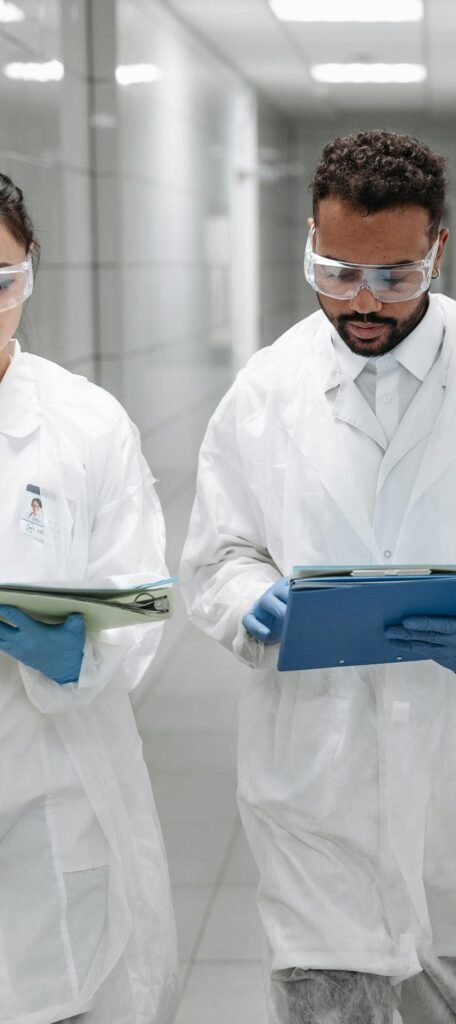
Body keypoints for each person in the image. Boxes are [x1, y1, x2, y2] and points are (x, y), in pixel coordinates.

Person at [180, 130, 456, 1024]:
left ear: (438, 251)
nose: (363, 301)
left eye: (395, 275)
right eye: (338, 272)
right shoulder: (265, 393)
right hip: (320, 778)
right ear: (310, 240)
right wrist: (243, 602)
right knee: (324, 995)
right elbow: (218, 555)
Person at [0, 173, 177, 1023]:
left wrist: (75, 647)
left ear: (30, 268)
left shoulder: (86, 424)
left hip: (49, 780)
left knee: (49, 996)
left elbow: (141, 598)